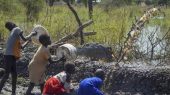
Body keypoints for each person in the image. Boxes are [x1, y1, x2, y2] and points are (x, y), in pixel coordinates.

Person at [0, 21, 36, 95]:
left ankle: (13, 93)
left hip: (10, 56)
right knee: (7, 74)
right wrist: (32, 33)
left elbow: (21, 47)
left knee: (14, 75)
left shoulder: (13, 34)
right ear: (13, 24)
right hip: (10, 56)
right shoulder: (17, 29)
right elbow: (25, 38)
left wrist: (28, 42)